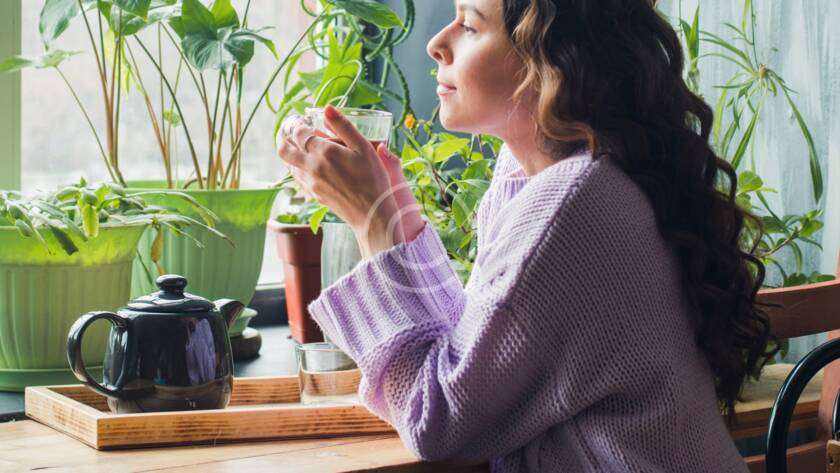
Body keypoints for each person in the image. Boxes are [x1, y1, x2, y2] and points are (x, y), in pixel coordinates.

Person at [277, 0, 774, 471]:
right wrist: (396, 216)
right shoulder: (544, 175)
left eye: (469, 25)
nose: (436, 44)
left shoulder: (575, 200)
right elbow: (472, 353)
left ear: (549, 58)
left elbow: (440, 421)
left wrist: (373, 218)